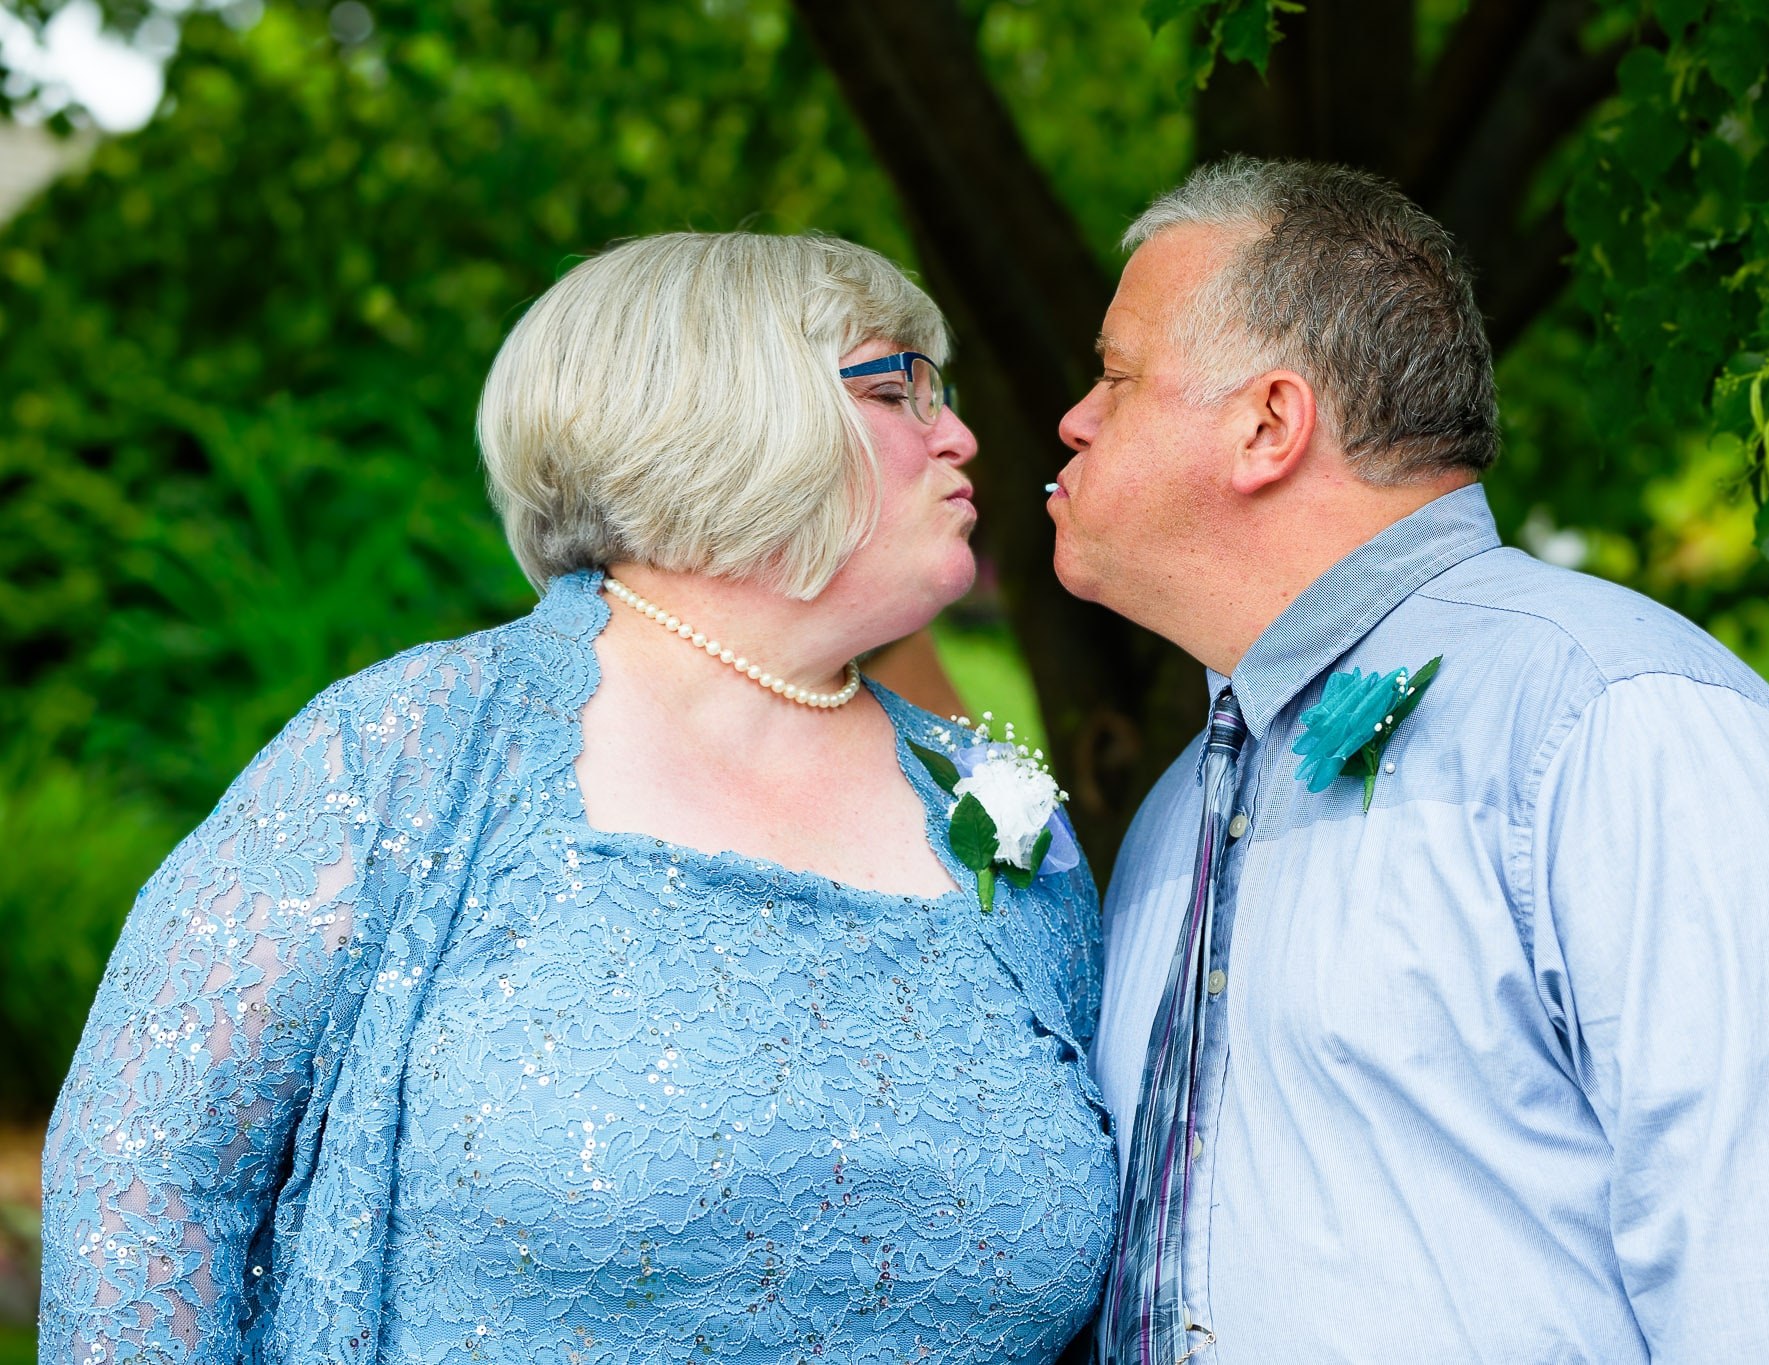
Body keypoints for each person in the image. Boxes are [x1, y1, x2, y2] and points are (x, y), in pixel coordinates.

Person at [42, 231, 1117, 1363]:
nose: (960, 434)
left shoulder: (994, 810)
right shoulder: (408, 749)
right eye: (899, 389)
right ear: (725, 413)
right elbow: (145, 1172)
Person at [1050, 157, 1769, 1363]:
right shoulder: (1177, 808)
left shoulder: (1624, 723)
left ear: (1267, 425)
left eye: (1115, 376)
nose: (1074, 418)